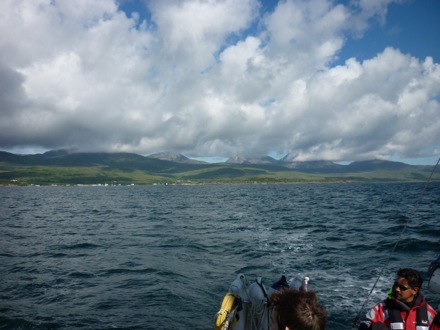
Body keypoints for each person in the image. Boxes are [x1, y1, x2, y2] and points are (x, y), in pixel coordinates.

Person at [359, 268, 440, 330]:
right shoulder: (382, 308)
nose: (397, 289)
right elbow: (366, 323)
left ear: (415, 290)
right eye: (396, 285)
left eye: (402, 288)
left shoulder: (428, 313)